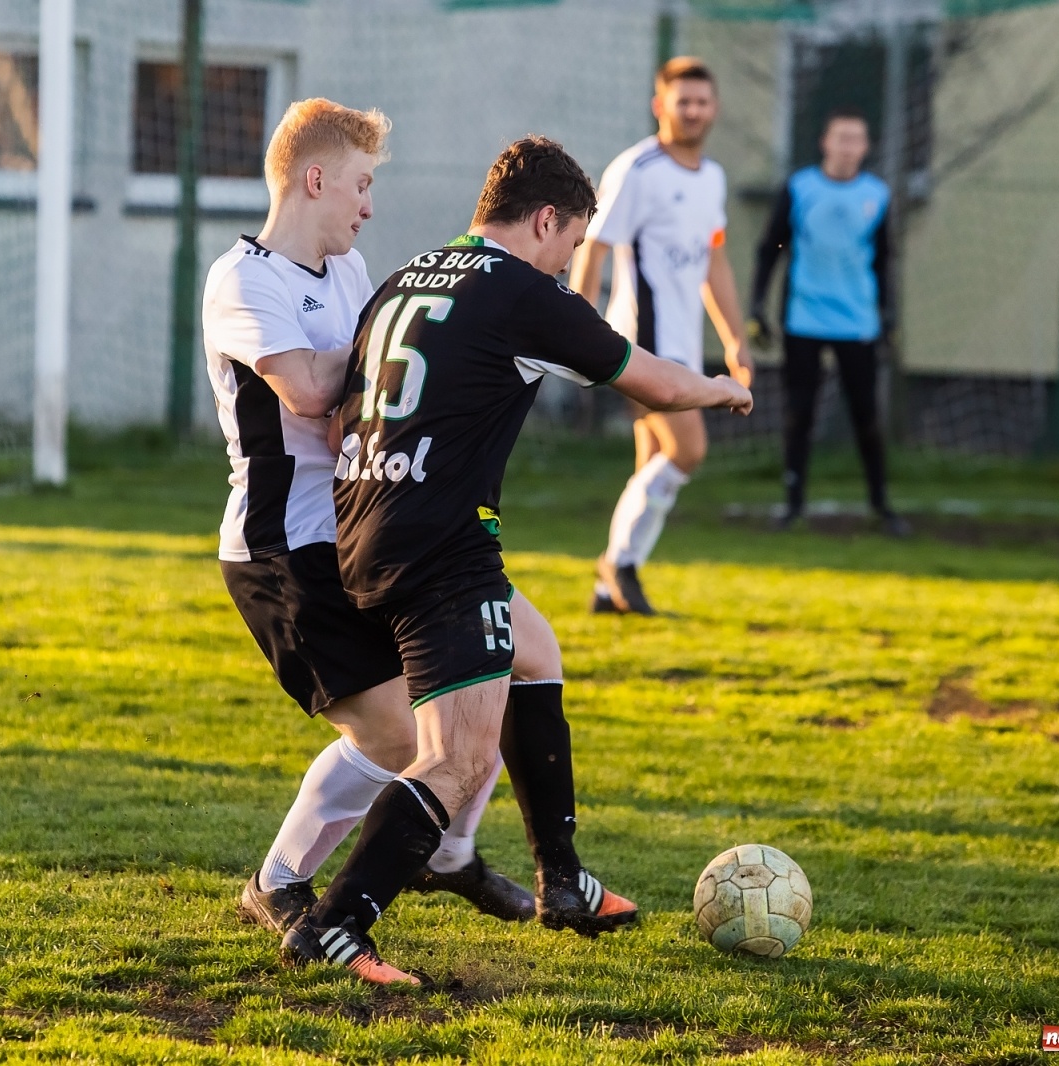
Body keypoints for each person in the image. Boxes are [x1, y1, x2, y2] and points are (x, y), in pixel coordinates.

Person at [280, 136, 753, 986]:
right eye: (571, 245)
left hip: (365, 527)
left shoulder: (409, 274)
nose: (570, 264)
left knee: (537, 655)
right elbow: (651, 381)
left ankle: (562, 879)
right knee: (455, 761)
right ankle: (336, 924)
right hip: (441, 550)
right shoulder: (527, 294)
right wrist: (721, 386)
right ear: (545, 222)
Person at [201, 99, 534, 939]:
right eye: (360, 184)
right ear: (315, 179)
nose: (369, 205)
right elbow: (314, 392)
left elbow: (369, 396)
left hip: (364, 533)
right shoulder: (242, 279)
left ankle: (445, 854)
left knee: (488, 682)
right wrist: (372, 373)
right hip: (283, 553)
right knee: (395, 735)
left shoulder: (351, 275)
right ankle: (281, 883)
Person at [571, 57, 755, 616]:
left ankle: (611, 590)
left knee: (652, 460)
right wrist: (580, 325)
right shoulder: (637, 169)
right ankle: (620, 564)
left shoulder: (713, 177)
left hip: (681, 341)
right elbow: (594, 247)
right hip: (639, 342)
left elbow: (714, 262)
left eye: (702, 101)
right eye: (683, 101)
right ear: (661, 106)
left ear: (714, 108)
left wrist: (735, 340)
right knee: (689, 449)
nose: (694, 111)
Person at [749, 108, 909, 536]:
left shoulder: (877, 194)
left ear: (866, 147)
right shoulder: (800, 188)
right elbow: (772, 246)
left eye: (856, 139)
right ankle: (792, 502)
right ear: (825, 142)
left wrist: (889, 316)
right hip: (804, 319)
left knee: (867, 417)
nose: (847, 146)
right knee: (798, 414)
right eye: (840, 137)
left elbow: (884, 261)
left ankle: (880, 503)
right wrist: (757, 305)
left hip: (858, 322)